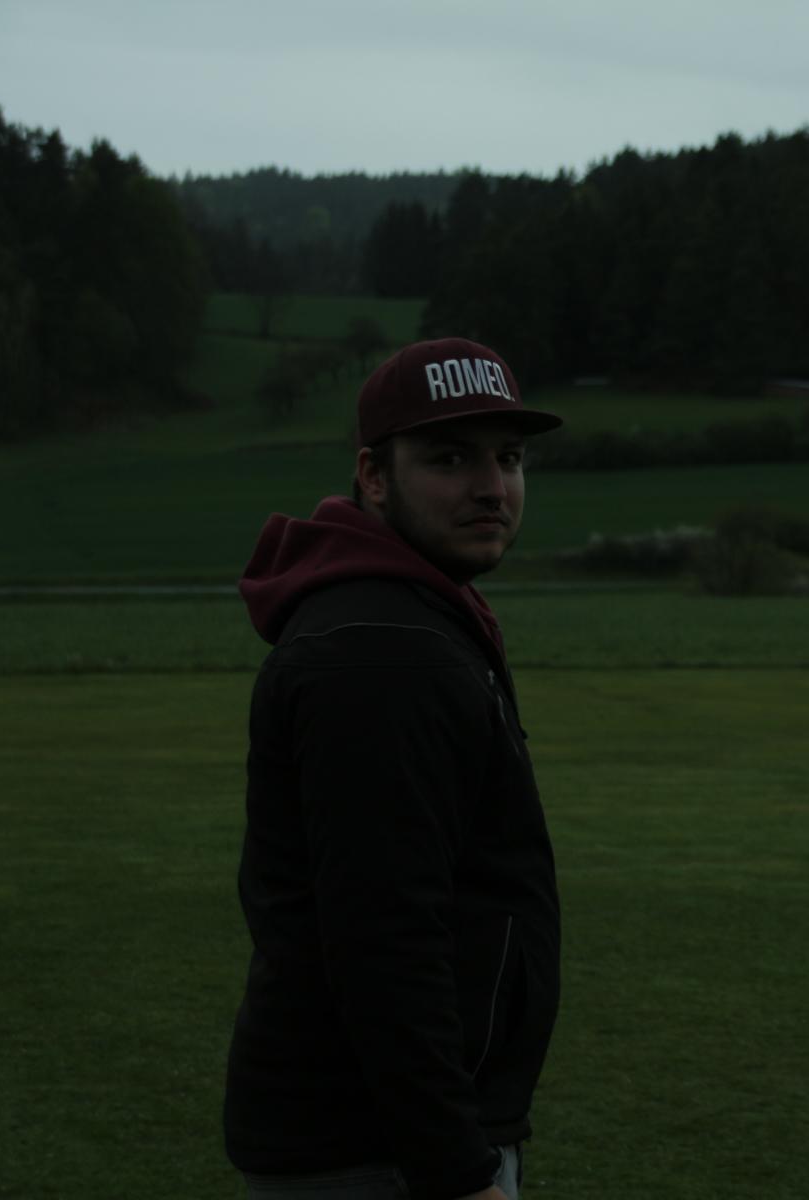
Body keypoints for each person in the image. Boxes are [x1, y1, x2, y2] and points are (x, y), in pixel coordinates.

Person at [225, 337, 564, 1200]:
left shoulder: (406, 617)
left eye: (509, 458)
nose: (492, 487)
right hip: (378, 1153)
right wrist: (458, 1170)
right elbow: (383, 941)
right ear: (373, 477)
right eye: (450, 458)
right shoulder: (381, 653)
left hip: (381, 1136)